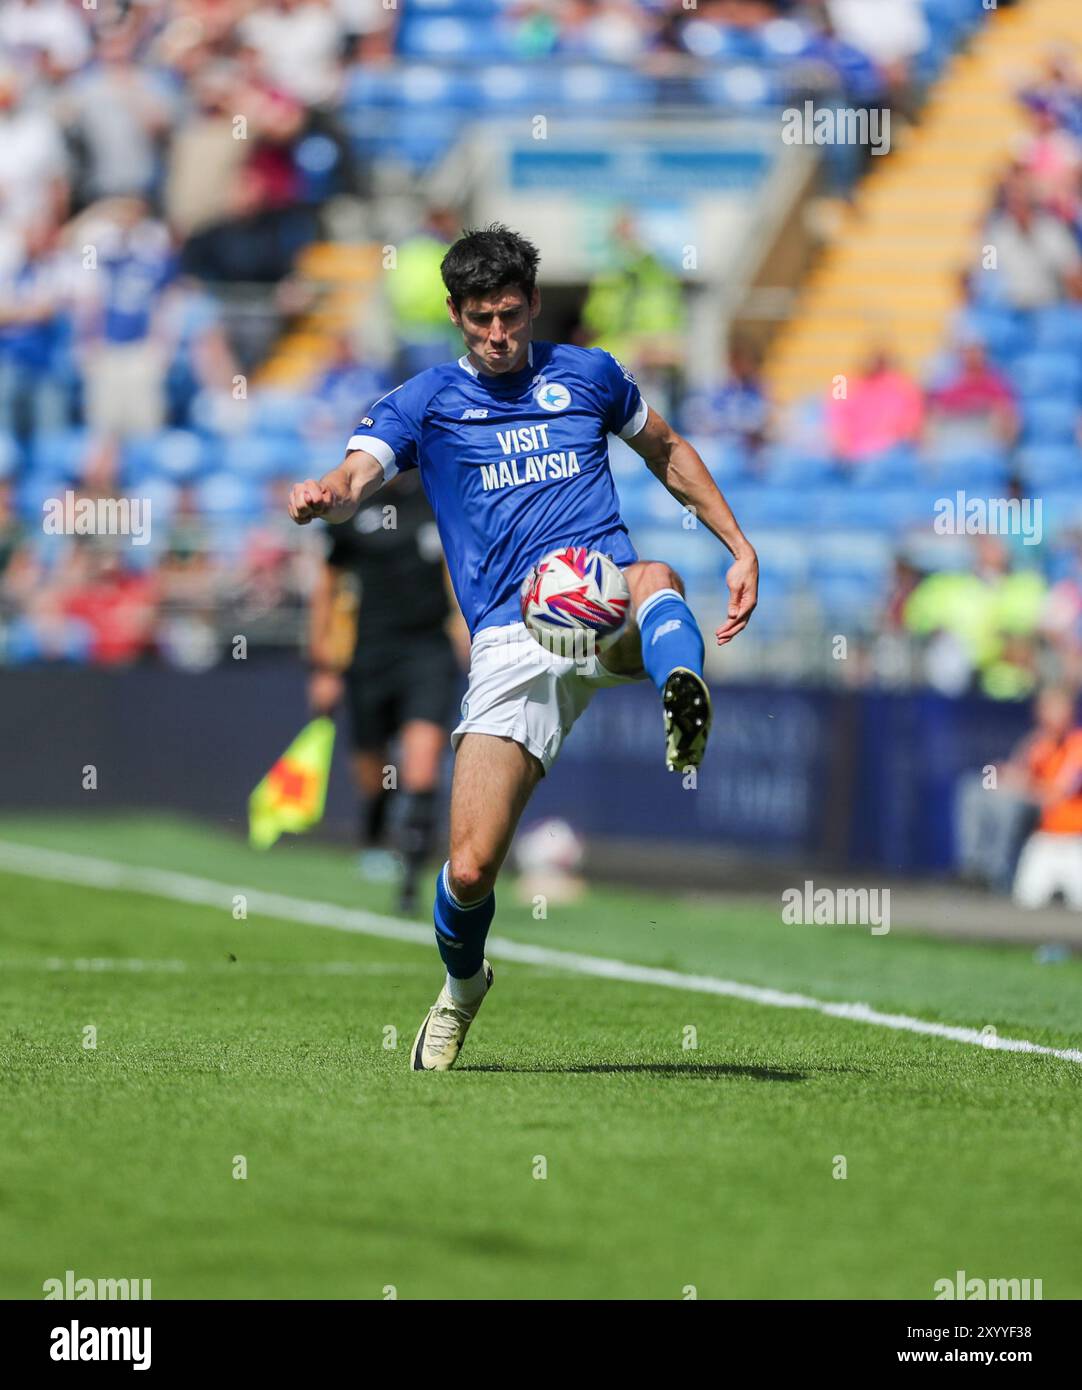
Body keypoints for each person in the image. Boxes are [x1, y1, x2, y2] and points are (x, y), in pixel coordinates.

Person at [287, 224, 758, 1071]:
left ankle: (679, 685)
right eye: (480, 321)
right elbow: (362, 470)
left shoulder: (590, 374)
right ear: (455, 316)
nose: (498, 336)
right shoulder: (427, 398)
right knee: (468, 870)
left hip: (594, 594)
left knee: (652, 576)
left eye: (510, 316)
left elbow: (666, 450)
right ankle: (463, 985)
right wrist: (330, 490)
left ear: (535, 305)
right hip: (509, 637)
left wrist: (738, 544)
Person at [308, 469, 464, 914]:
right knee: (373, 774)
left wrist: (462, 625)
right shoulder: (350, 511)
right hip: (369, 654)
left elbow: (455, 569)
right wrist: (322, 663)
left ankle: (413, 880)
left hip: (427, 651)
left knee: (421, 766)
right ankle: (375, 840)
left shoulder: (437, 501)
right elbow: (328, 586)